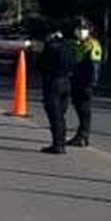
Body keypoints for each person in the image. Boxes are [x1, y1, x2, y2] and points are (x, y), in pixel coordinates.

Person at [38, 26, 75, 154]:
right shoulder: (69, 46)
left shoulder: (51, 47)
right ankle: (60, 143)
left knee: (55, 116)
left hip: (53, 83)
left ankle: (58, 145)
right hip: (67, 83)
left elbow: (41, 64)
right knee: (61, 115)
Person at [69, 19, 103, 147]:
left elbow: (94, 66)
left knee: (84, 109)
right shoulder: (78, 44)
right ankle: (81, 135)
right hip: (77, 81)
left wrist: (91, 84)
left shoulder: (92, 44)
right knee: (79, 108)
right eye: (78, 28)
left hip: (85, 82)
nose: (80, 31)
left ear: (89, 30)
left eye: (83, 28)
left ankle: (83, 136)